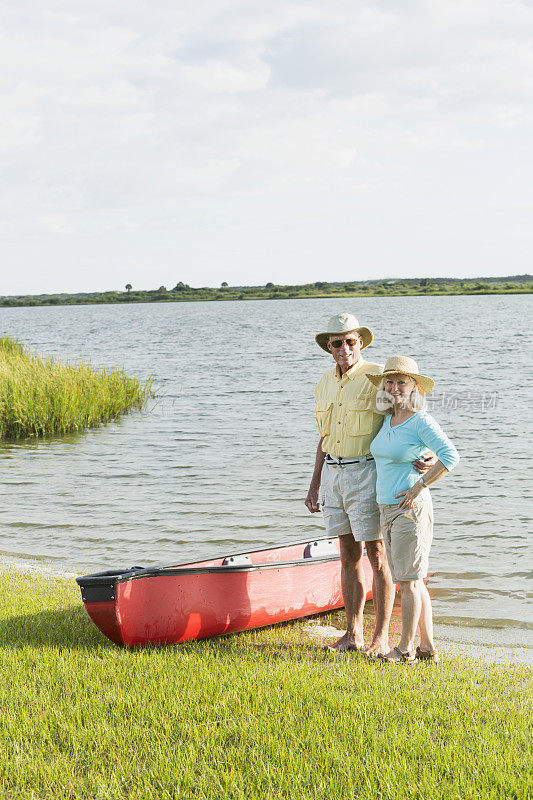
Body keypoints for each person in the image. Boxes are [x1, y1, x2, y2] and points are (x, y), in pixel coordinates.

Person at [305, 314, 434, 657]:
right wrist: (314, 481)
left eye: (350, 341)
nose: (344, 348)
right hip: (332, 475)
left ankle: (382, 638)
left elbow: (411, 416)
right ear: (329, 348)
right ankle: (353, 633)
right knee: (347, 554)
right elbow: (323, 436)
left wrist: (428, 456)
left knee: (378, 556)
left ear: (360, 342)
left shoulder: (380, 377)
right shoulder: (323, 383)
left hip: (367, 473)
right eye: (337, 342)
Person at [366, 356, 460, 663]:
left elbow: (450, 456)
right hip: (387, 507)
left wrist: (421, 484)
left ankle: (404, 649)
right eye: (390, 382)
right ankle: (428, 648)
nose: (394, 387)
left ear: (414, 387)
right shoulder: (386, 419)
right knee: (412, 579)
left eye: (401, 382)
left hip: (410, 508)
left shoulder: (420, 420)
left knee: (407, 581)